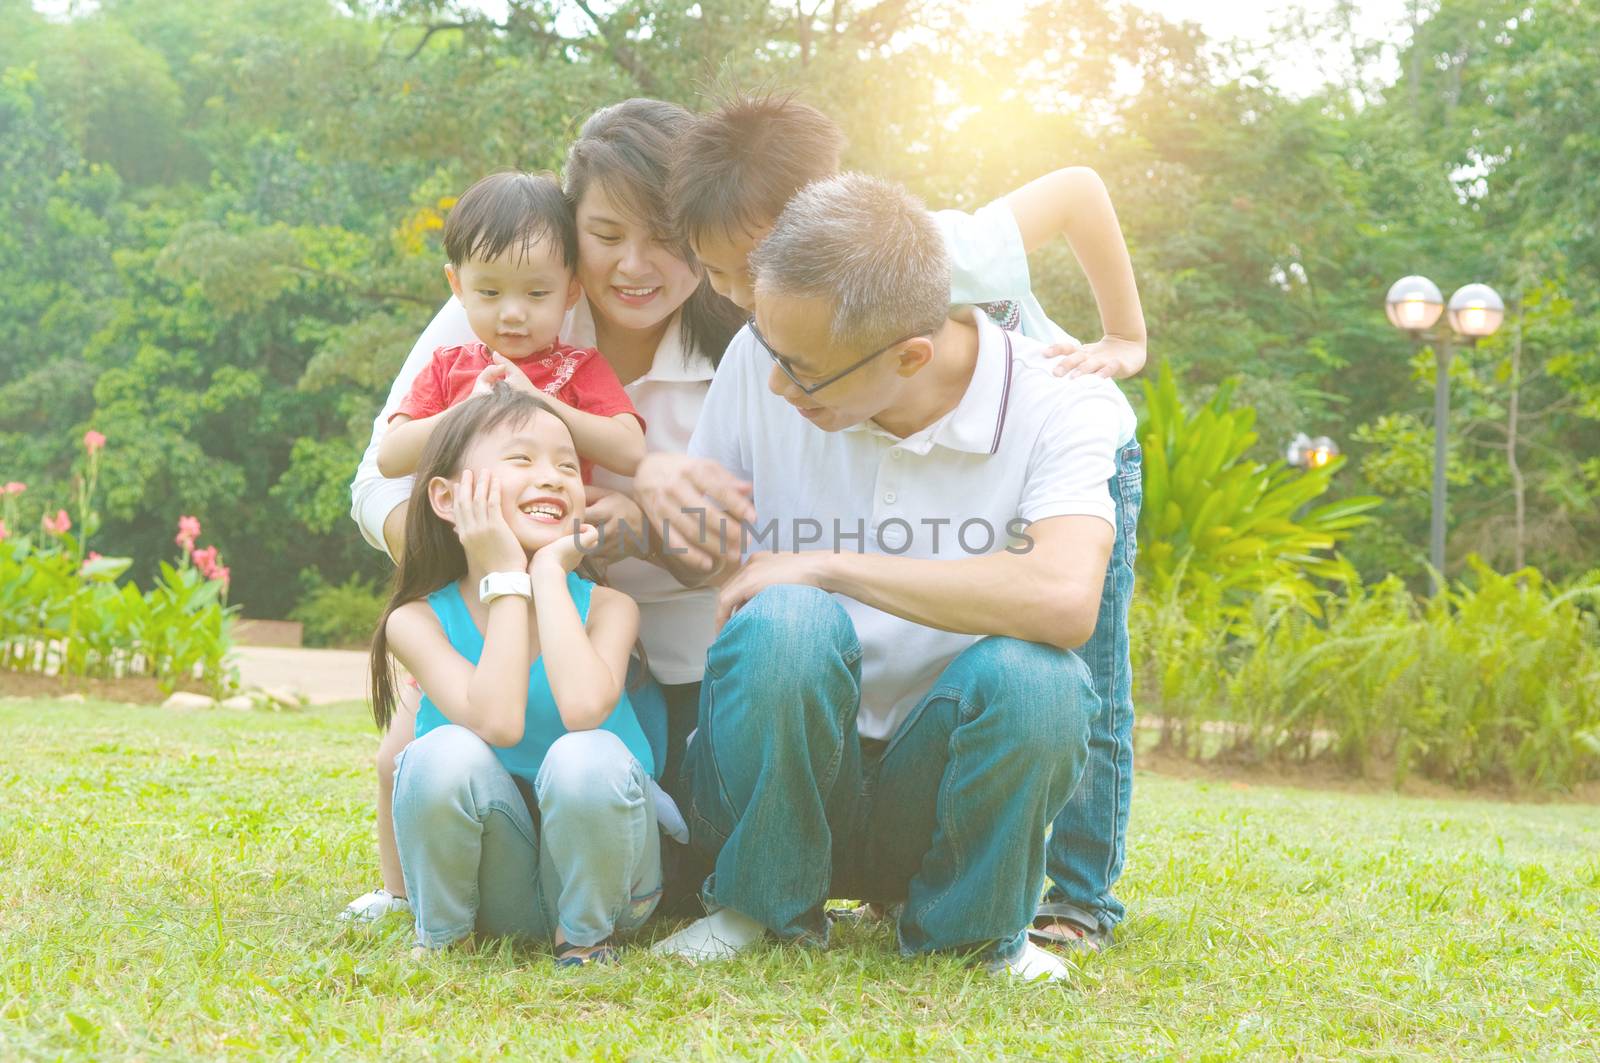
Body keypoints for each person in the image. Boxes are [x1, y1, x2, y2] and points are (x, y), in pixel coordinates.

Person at [666, 92, 1145, 951]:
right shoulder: (768, 342)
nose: (776, 383)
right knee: (783, 622)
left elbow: (1067, 601)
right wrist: (674, 517)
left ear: (909, 356)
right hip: (805, 768)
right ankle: (762, 907)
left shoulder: (1063, 398)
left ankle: (993, 926)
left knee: (1053, 679)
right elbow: (717, 558)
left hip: (935, 779)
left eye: (803, 373)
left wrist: (828, 563)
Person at [344, 99, 744, 924]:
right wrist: (472, 558)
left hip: (668, 644)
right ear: (569, 234)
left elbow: (741, 523)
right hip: (501, 619)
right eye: (606, 234)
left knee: (658, 859)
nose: (635, 263)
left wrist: (628, 522)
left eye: (665, 235)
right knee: (422, 750)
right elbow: (379, 476)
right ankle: (411, 889)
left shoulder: (741, 338)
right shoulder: (496, 309)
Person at [369, 386, 674, 965]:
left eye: (567, 465)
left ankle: (586, 941)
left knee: (586, 754)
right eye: (521, 460)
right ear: (446, 496)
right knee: (439, 752)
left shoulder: (610, 608)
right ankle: (445, 939)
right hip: (494, 893)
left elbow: (583, 709)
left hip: (611, 887)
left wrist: (552, 573)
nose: (554, 477)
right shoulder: (416, 621)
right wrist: (506, 575)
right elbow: (497, 721)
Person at [377, 171, 645, 484]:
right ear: (458, 285)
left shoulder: (579, 369)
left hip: (551, 527)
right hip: (460, 528)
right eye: (490, 293)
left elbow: (632, 453)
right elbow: (389, 458)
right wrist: (471, 410)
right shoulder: (448, 367)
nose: (513, 314)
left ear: (572, 289)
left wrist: (536, 399)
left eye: (537, 293)